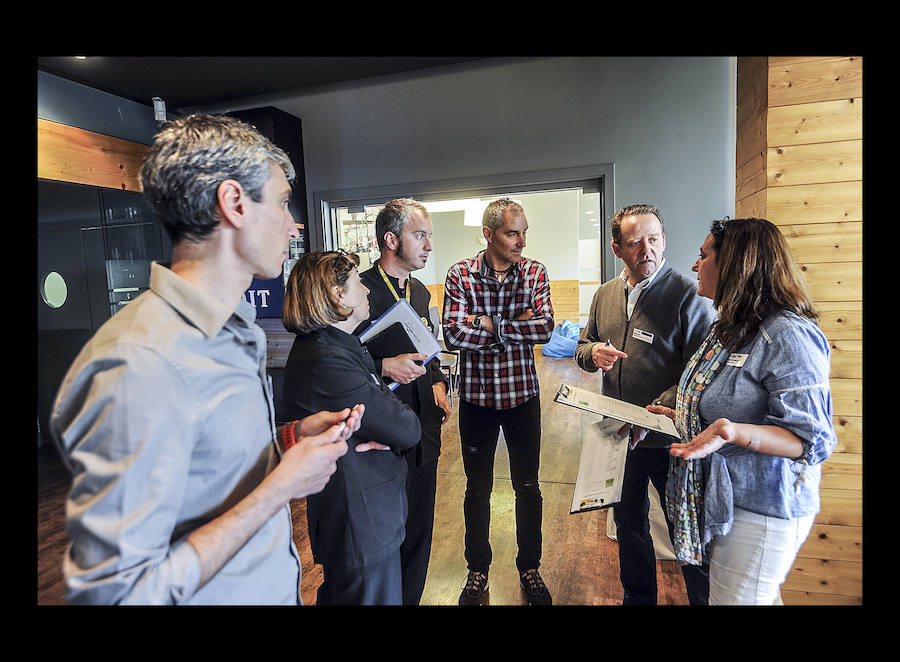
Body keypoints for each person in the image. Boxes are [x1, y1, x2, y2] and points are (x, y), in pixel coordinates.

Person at [49, 114, 360, 605]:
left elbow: (205, 474)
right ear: (234, 203)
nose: (292, 223)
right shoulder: (140, 363)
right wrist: (280, 488)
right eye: (281, 203)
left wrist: (287, 441)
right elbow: (116, 594)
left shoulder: (233, 331)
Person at [644, 217, 836, 605]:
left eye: (703, 255)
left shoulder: (786, 333)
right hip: (727, 505)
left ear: (736, 263)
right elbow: (716, 399)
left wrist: (733, 432)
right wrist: (677, 416)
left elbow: (812, 439)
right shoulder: (729, 328)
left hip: (763, 509)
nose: (695, 264)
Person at [574, 203, 715, 606]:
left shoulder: (690, 295)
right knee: (629, 524)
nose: (646, 250)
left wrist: (654, 411)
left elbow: (698, 370)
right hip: (618, 436)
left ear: (664, 240)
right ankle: (638, 598)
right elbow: (583, 347)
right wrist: (593, 352)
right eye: (635, 243)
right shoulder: (604, 294)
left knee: (682, 531)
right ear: (618, 249)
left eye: (653, 240)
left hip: (667, 439)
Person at [281, 250, 422, 605]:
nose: (368, 290)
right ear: (337, 294)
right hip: (360, 524)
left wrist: (382, 428)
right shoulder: (327, 357)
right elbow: (406, 427)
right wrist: (386, 431)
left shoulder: (339, 346)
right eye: (359, 283)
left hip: (366, 517)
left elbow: (383, 418)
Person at [443, 197, 555, 606]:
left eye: (524, 232)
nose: (521, 241)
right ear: (488, 234)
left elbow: (544, 327)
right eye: (512, 233)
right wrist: (512, 325)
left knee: (528, 486)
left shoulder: (534, 272)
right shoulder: (460, 275)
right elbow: (453, 336)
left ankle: (530, 567)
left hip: (522, 396)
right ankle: (477, 570)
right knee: (477, 489)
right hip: (476, 399)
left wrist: (485, 322)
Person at [352, 199, 450, 605]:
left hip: (423, 430)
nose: (428, 245)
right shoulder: (358, 292)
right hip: (380, 438)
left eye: (429, 236)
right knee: (383, 541)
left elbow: (427, 348)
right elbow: (340, 361)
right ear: (391, 239)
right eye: (420, 235)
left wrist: (439, 380)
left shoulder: (421, 291)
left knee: (418, 536)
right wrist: (382, 365)